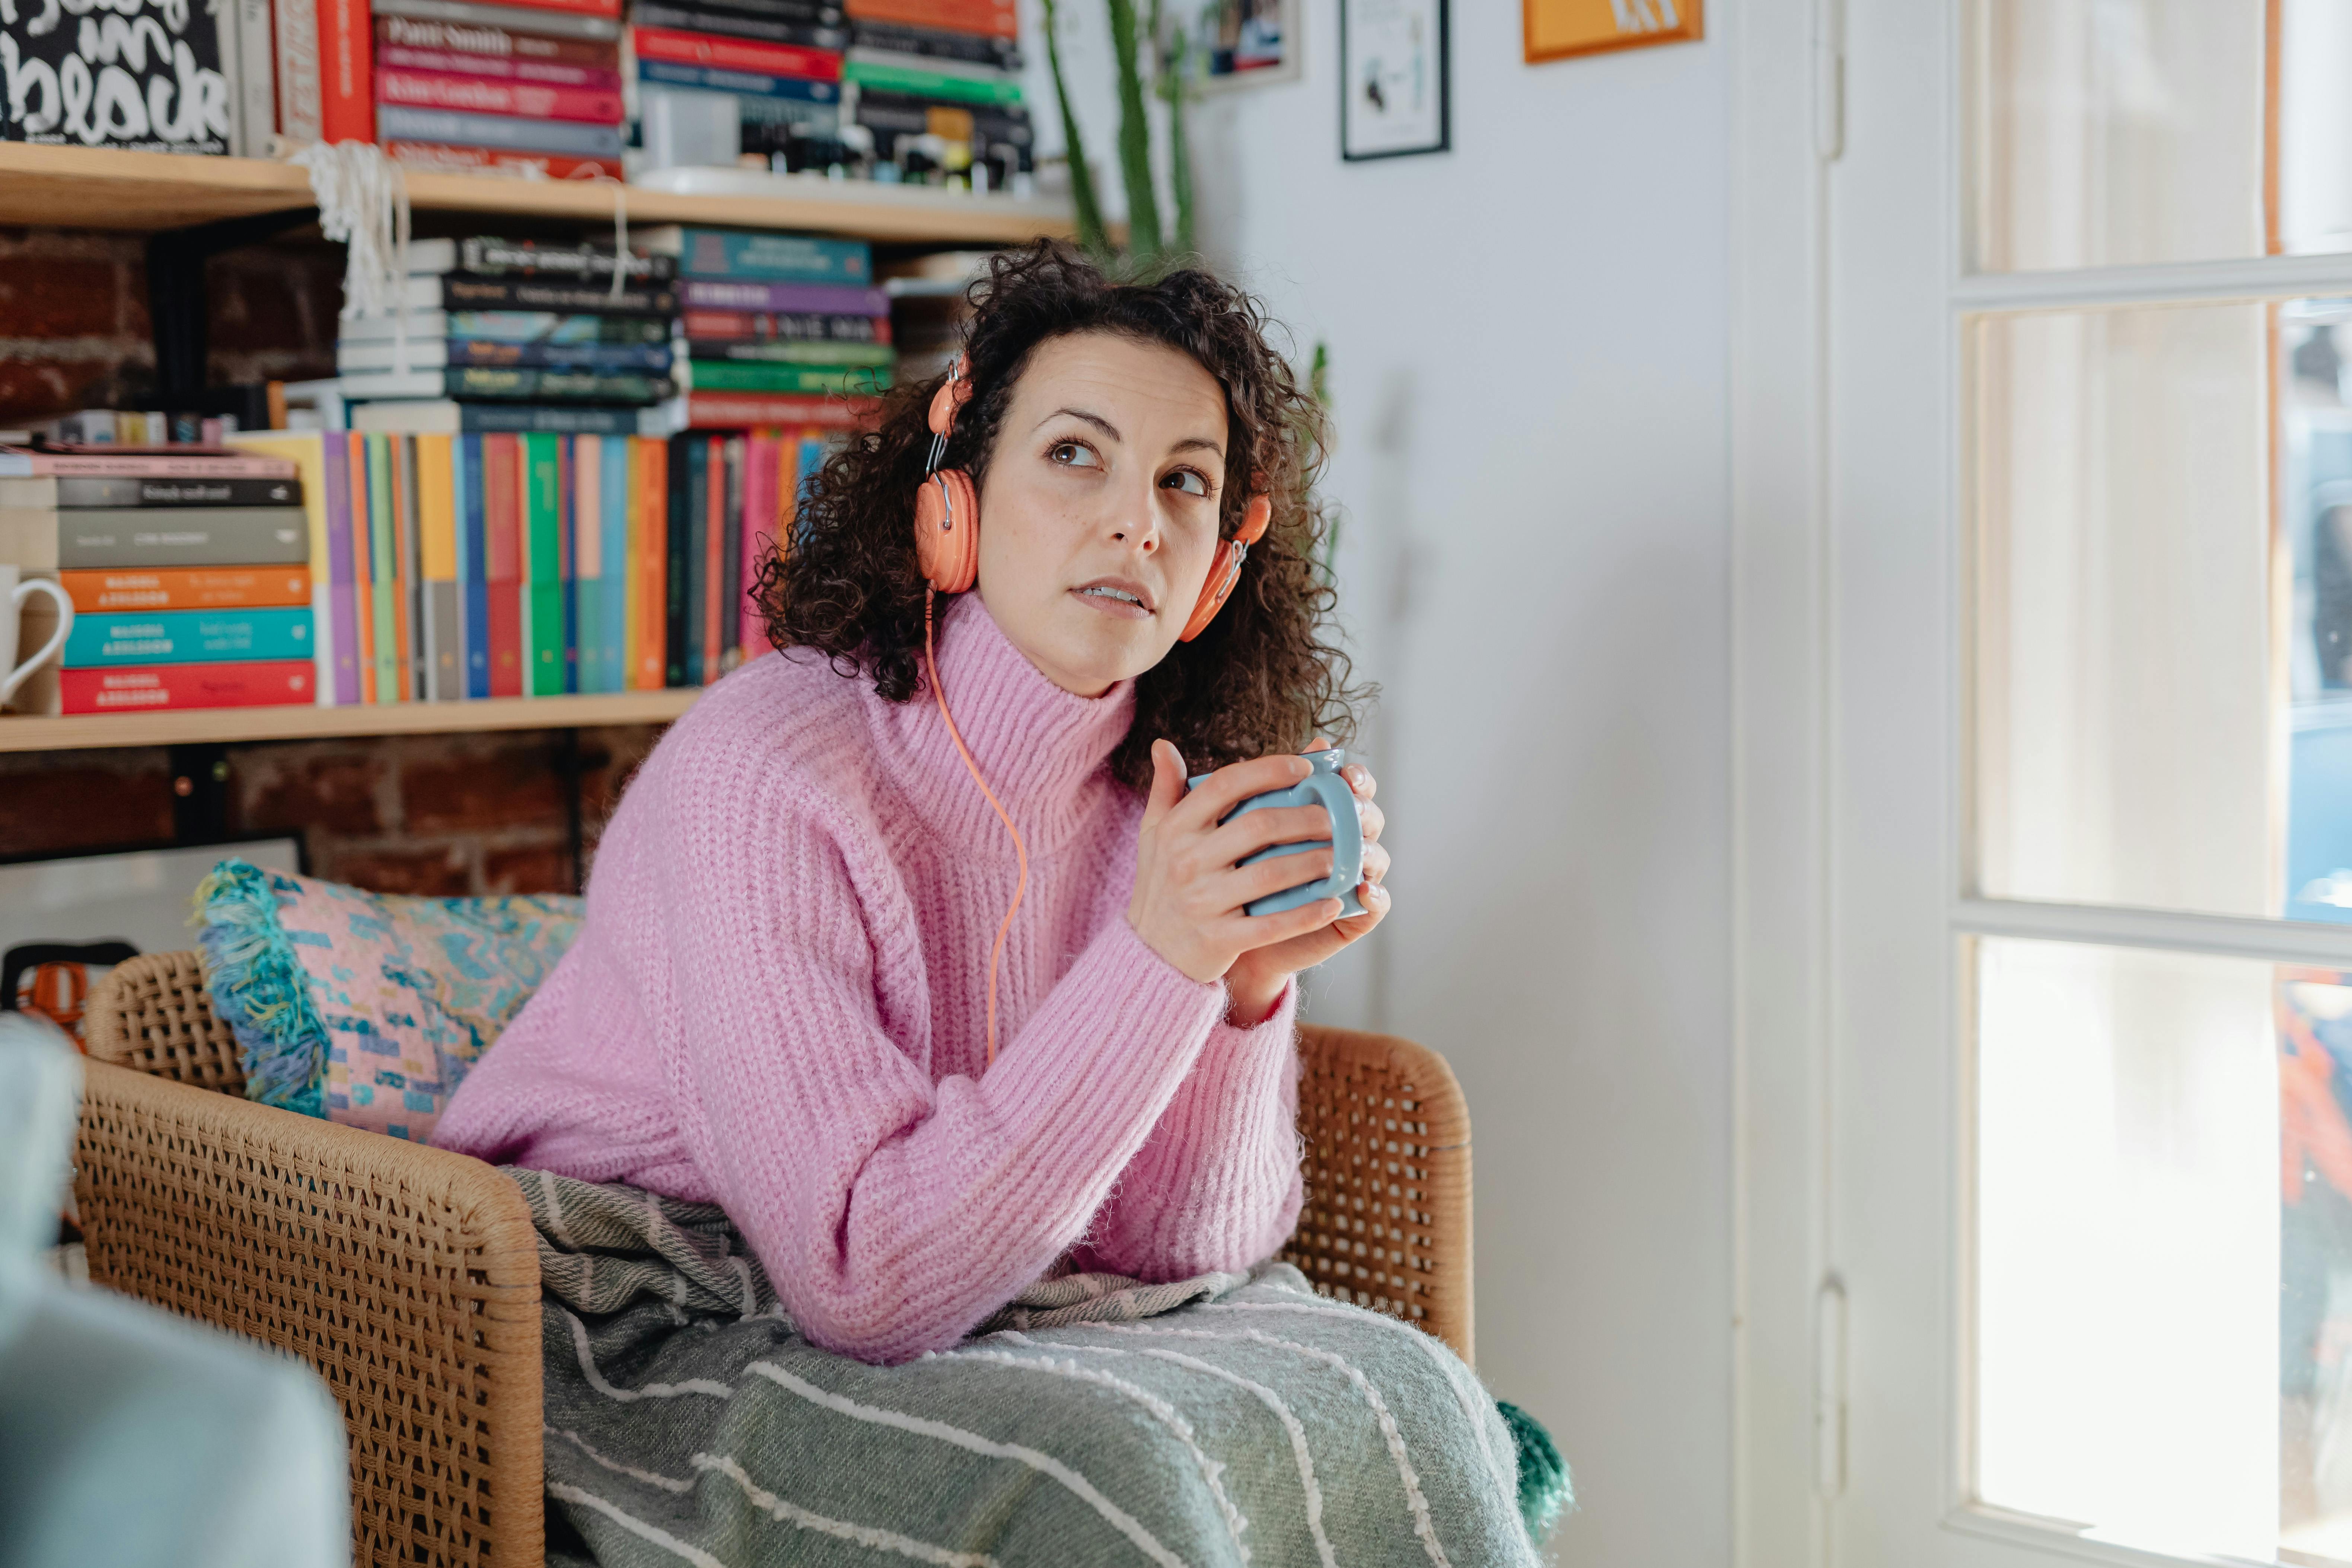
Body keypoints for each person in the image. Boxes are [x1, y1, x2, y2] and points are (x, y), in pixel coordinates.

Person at [433, 241, 1387, 1365]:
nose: (1140, 523)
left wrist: (1236, 990)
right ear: (954, 504)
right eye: (1077, 453)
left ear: (1216, 573)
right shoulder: (764, 772)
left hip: (966, 1316)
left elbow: (1186, 1258)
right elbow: (863, 1276)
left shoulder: (1165, 815)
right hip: (608, 1303)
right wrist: (1158, 953)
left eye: (1185, 479)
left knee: (1416, 1400)